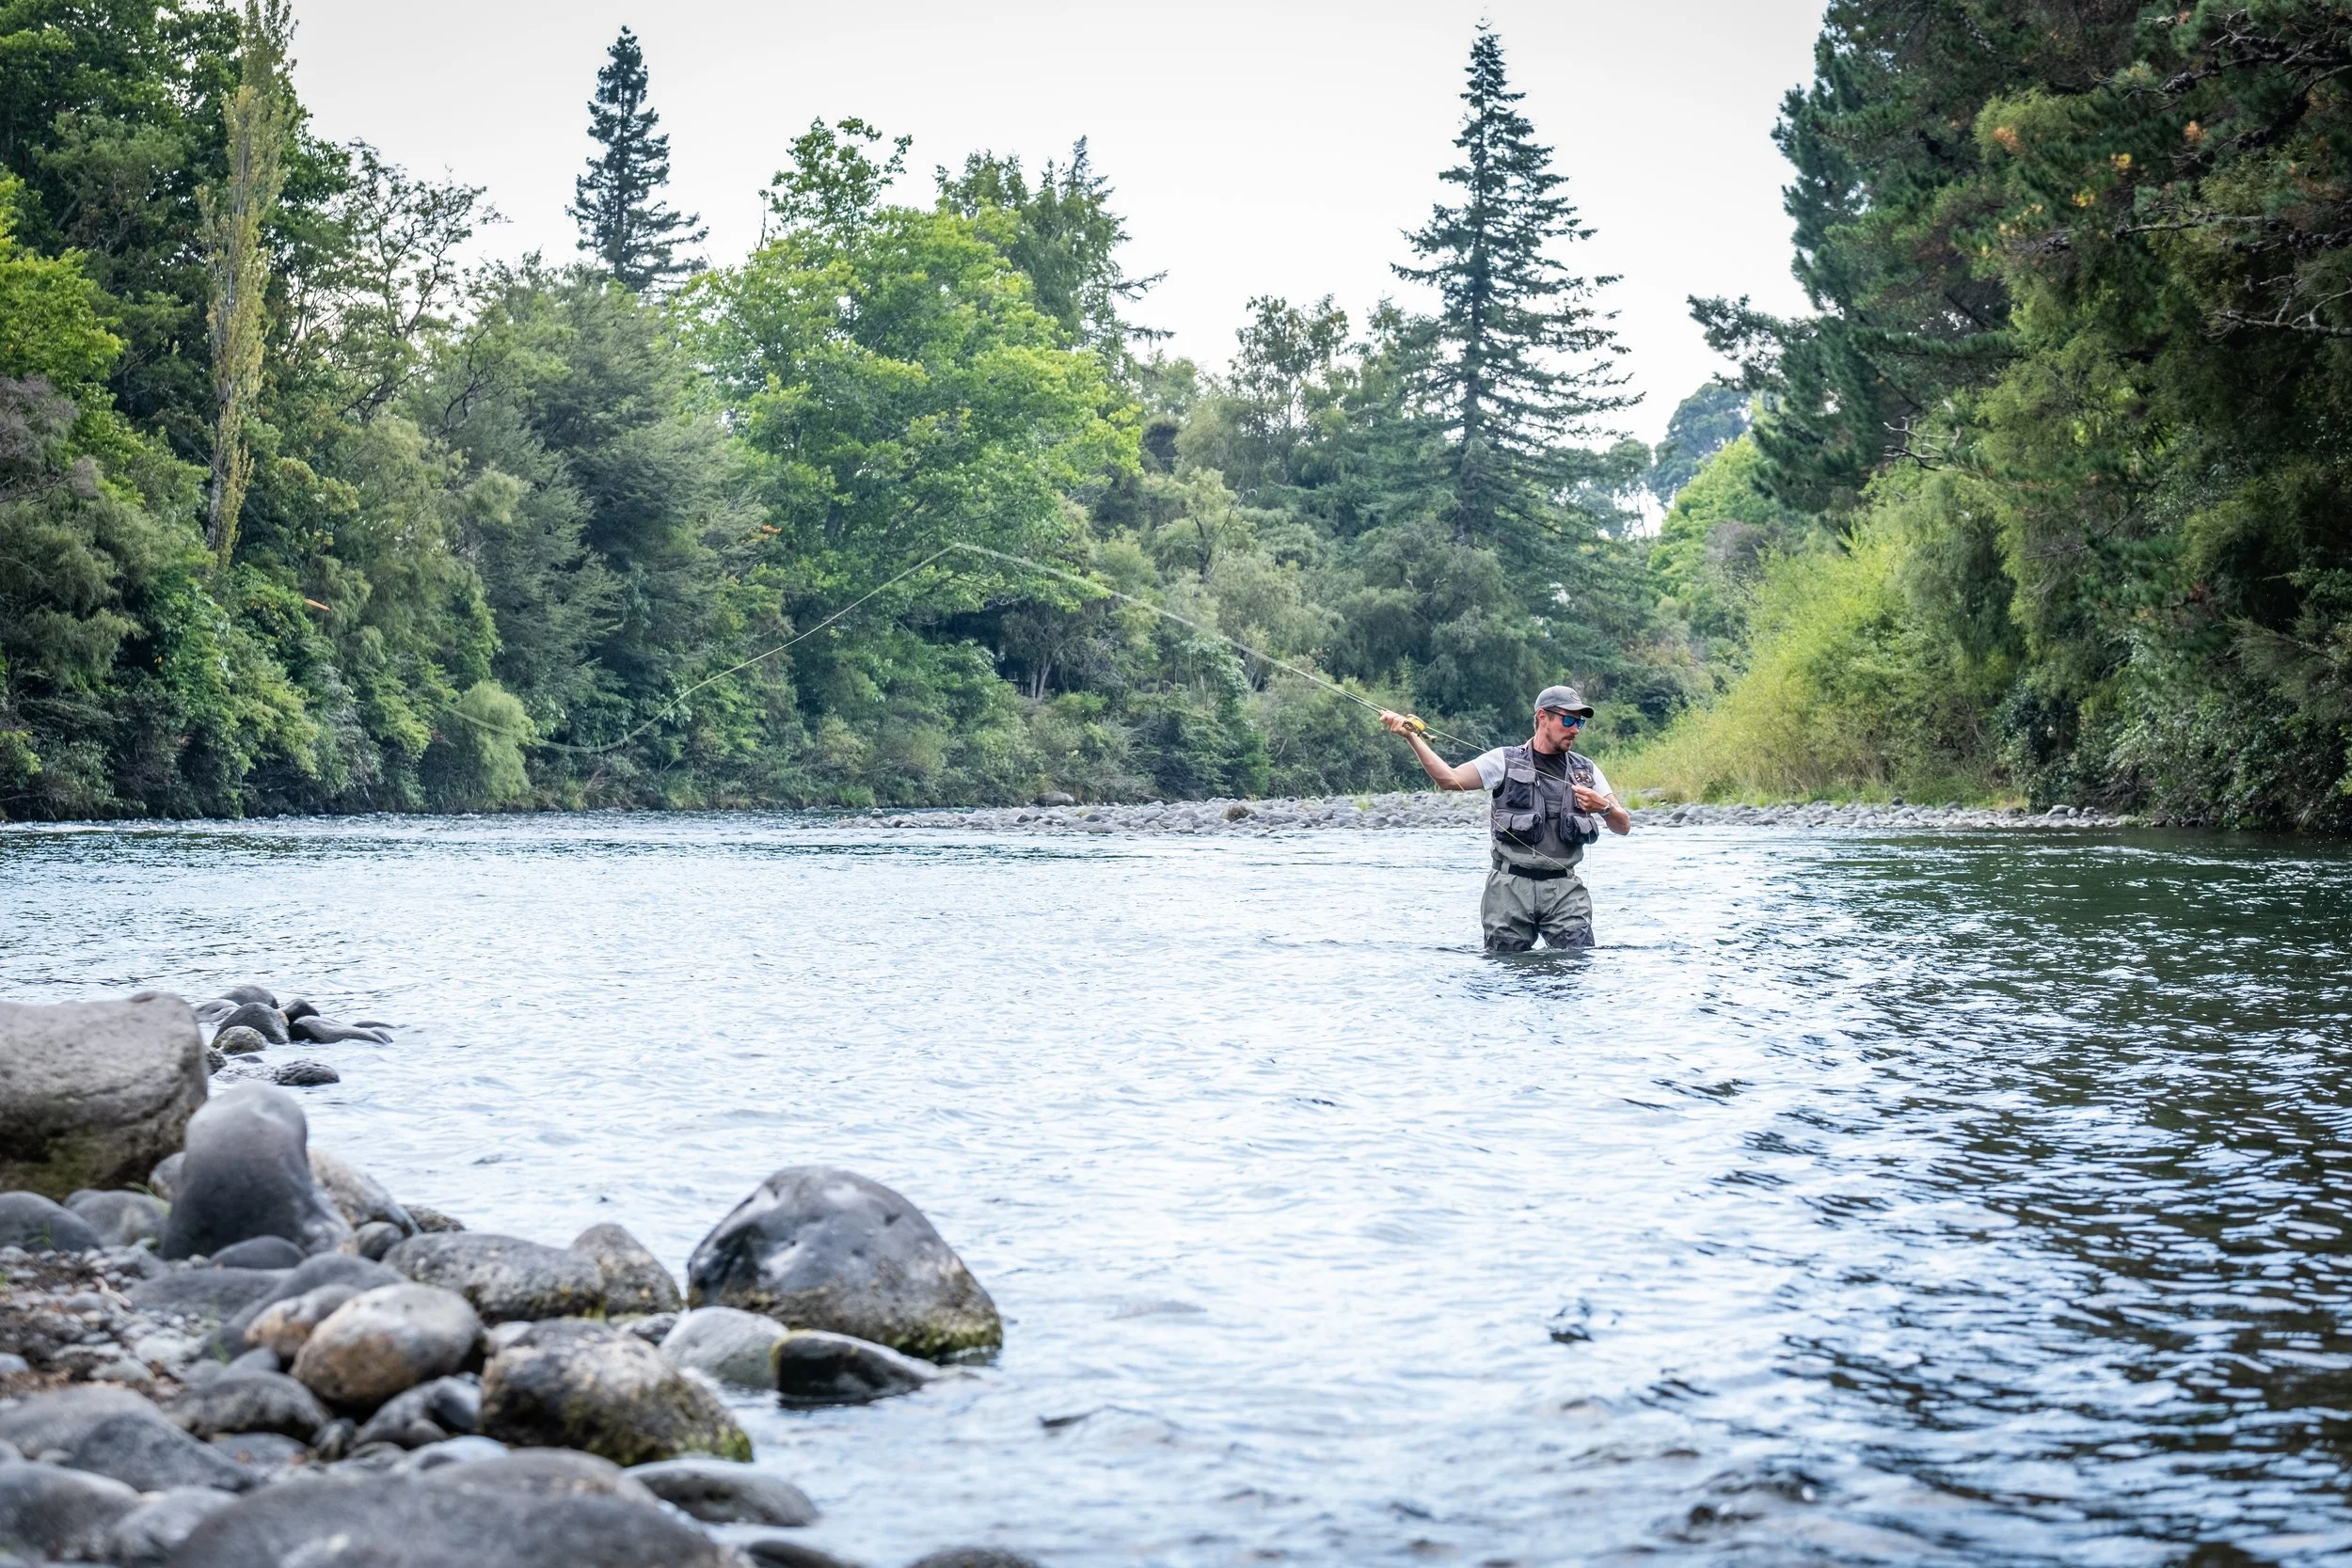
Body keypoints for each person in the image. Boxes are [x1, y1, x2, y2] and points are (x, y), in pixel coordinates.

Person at [1381, 685, 1631, 951]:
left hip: (1565, 891)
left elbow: (1623, 825)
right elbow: (1449, 779)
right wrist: (1412, 738)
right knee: (1506, 972)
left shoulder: (1586, 770)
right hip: (1509, 890)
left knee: (1577, 962)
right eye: (1568, 719)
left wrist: (1603, 807)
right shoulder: (1503, 760)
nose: (1575, 729)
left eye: (1579, 721)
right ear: (1542, 717)